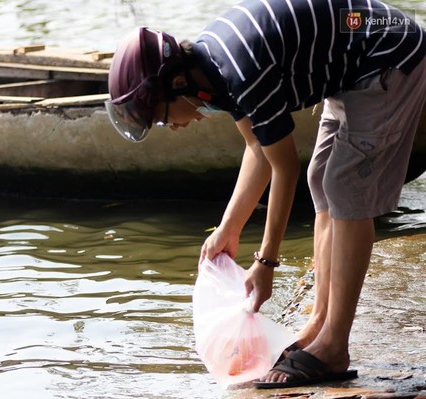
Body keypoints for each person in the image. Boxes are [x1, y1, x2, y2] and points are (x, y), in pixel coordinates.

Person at [105, 0, 426, 390]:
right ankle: (318, 327)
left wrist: (267, 261)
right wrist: (228, 228)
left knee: (346, 187)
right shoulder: (213, 70)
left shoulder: (239, 72)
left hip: (388, 54)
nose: (168, 126)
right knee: (321, 178)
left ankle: (333, 348)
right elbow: (258, 149)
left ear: (177, 84)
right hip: (353, 62)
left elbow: (282, 166)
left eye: (160, 116)